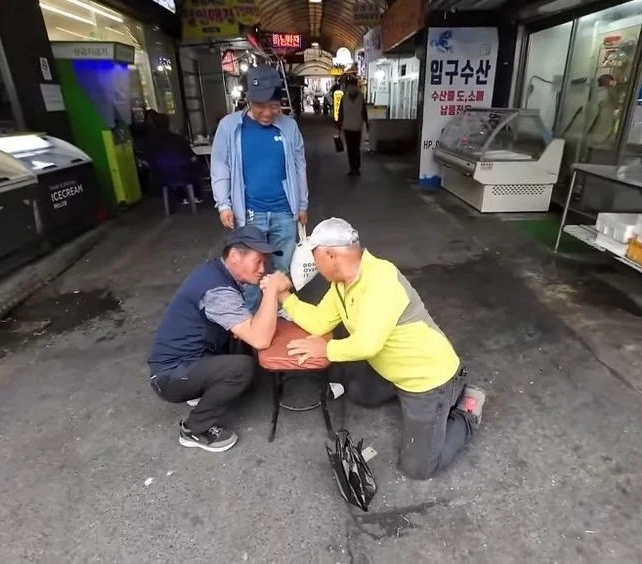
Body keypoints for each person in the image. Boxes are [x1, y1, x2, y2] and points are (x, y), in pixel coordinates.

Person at [262, 218, 486, 480]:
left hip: (427, 379)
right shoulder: (342, 284)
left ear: (330, 254)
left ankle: (465, 410)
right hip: (392, 370)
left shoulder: (381, 280)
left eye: (315, 258)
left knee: (419, 468)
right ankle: (415, 401)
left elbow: (367, 344)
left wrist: (326, 349)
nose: (315, 267)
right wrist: (283, 296)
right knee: (360, 394)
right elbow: (320, 321)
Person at [147, 225, 283, 453]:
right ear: (234, 256)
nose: (263, 269)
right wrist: (272, 292)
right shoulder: (217, 290)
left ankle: (204, 387)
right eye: (258, 261)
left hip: (190, 360)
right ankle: (194, 429)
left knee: (241, 337)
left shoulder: (216, 271)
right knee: (242, 368)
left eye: (265, 262)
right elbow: (260, 339)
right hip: (170, 375)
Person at [211, 65, 309, 312]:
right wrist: (224, 203)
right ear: (248, 101)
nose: (267, 113)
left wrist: (302, 204)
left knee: (282, 266)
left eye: (274, 106)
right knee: (251, 270)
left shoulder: (289, 127)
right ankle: (252, 320)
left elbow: (299, 166)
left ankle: (279, 311)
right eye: (260, 106)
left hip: (284, 213)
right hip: (250, 213)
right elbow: (220, 166)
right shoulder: (230, 127)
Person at [336, 77, 368, 176]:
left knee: (353, 148)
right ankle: (354, 168)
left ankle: (354, 168)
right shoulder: (348, 97)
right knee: (353, 148)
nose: (352, 88)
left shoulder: (349, 97)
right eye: (351, 86)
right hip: (351, 127)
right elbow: (341, 113)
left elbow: (363, 111)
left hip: (353, 127)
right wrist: (366, 123)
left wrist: (339, 125)